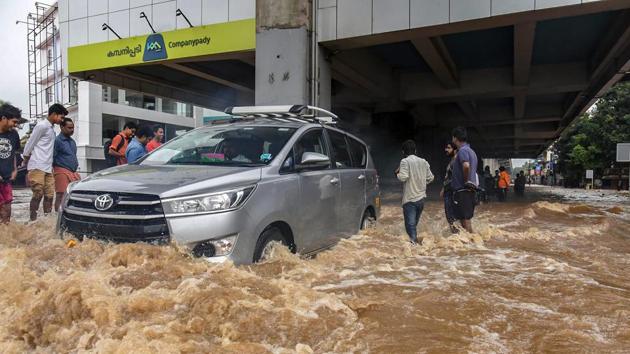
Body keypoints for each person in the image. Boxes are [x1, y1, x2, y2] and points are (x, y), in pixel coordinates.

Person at [23, 103, 67, 221]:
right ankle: (33, 220)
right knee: (38, 194)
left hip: (48, 168)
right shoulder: (41, 126)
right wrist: (25, 159)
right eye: (61, 117)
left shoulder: (52, 130)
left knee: (49, 196)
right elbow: (30, 142)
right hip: (37, 165)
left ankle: (46, 221)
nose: (62, 120)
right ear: (53, 114)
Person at [395, 139, 434, 244]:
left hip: (410, 200)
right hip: (421, 200)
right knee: (413, 226)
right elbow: (431, 178)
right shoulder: (424, 161)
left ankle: (415, 249)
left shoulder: (405, 161)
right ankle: (419, 250)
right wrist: (421, 182)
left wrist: (396, 174)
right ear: (415, 150)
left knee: (410, 228)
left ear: (403, 152)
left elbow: (403, 177)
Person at [0, 104, 27, 223]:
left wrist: (15, 169)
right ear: (4, 118)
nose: (16, 125)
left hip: (7, 178)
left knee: (7, 208)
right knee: (1, 210)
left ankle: (6, 237)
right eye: (14, 121)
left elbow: (14, 153)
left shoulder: (14, 134)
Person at [450, 127, 478, 233]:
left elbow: (466, 166)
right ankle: (472, 244)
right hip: (469, 191)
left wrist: (466, 181)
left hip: (463, 191)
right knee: (466, 220)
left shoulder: (462, 151)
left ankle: (471, 245)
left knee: (465, 221)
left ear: (455, 138)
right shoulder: (472, 152)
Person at [53, 118, 80, 211]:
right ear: (61, 127)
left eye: (73, 128)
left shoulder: (73, 142)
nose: (72, 130)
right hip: (61, 171)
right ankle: (57, 217)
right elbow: (52, 157)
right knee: (61, 195)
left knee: (74, 195)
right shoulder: (57, 141)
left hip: (73, 172)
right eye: (69, 128)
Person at [439, 142, 458, 233]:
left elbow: (456, 177)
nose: (446, 150)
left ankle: (457, 235)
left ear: (455, 150)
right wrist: (443, 188)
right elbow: (449, 177)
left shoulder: (456, 161)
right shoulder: (452, 160)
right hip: (448, 190)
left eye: (448, 148)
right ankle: (456, 236)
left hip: (452, 191)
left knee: (451, 215)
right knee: (450, 215)